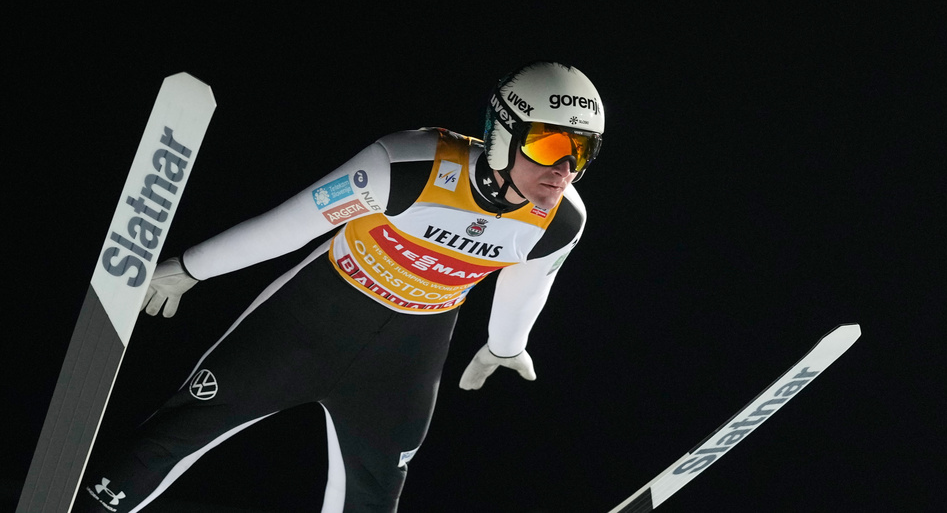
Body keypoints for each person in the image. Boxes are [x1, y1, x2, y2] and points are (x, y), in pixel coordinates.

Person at [73, 61, 605, 513]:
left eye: (582, 152)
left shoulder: (561, 220)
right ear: (502, 131)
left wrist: (503, 348)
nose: (564, 169)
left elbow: (528, 283)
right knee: (177, 434)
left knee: (371, 500)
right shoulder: (408, 165)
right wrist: (191, 268)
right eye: (549, 143)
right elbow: (290, 225)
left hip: (405, 363)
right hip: (308, 321)